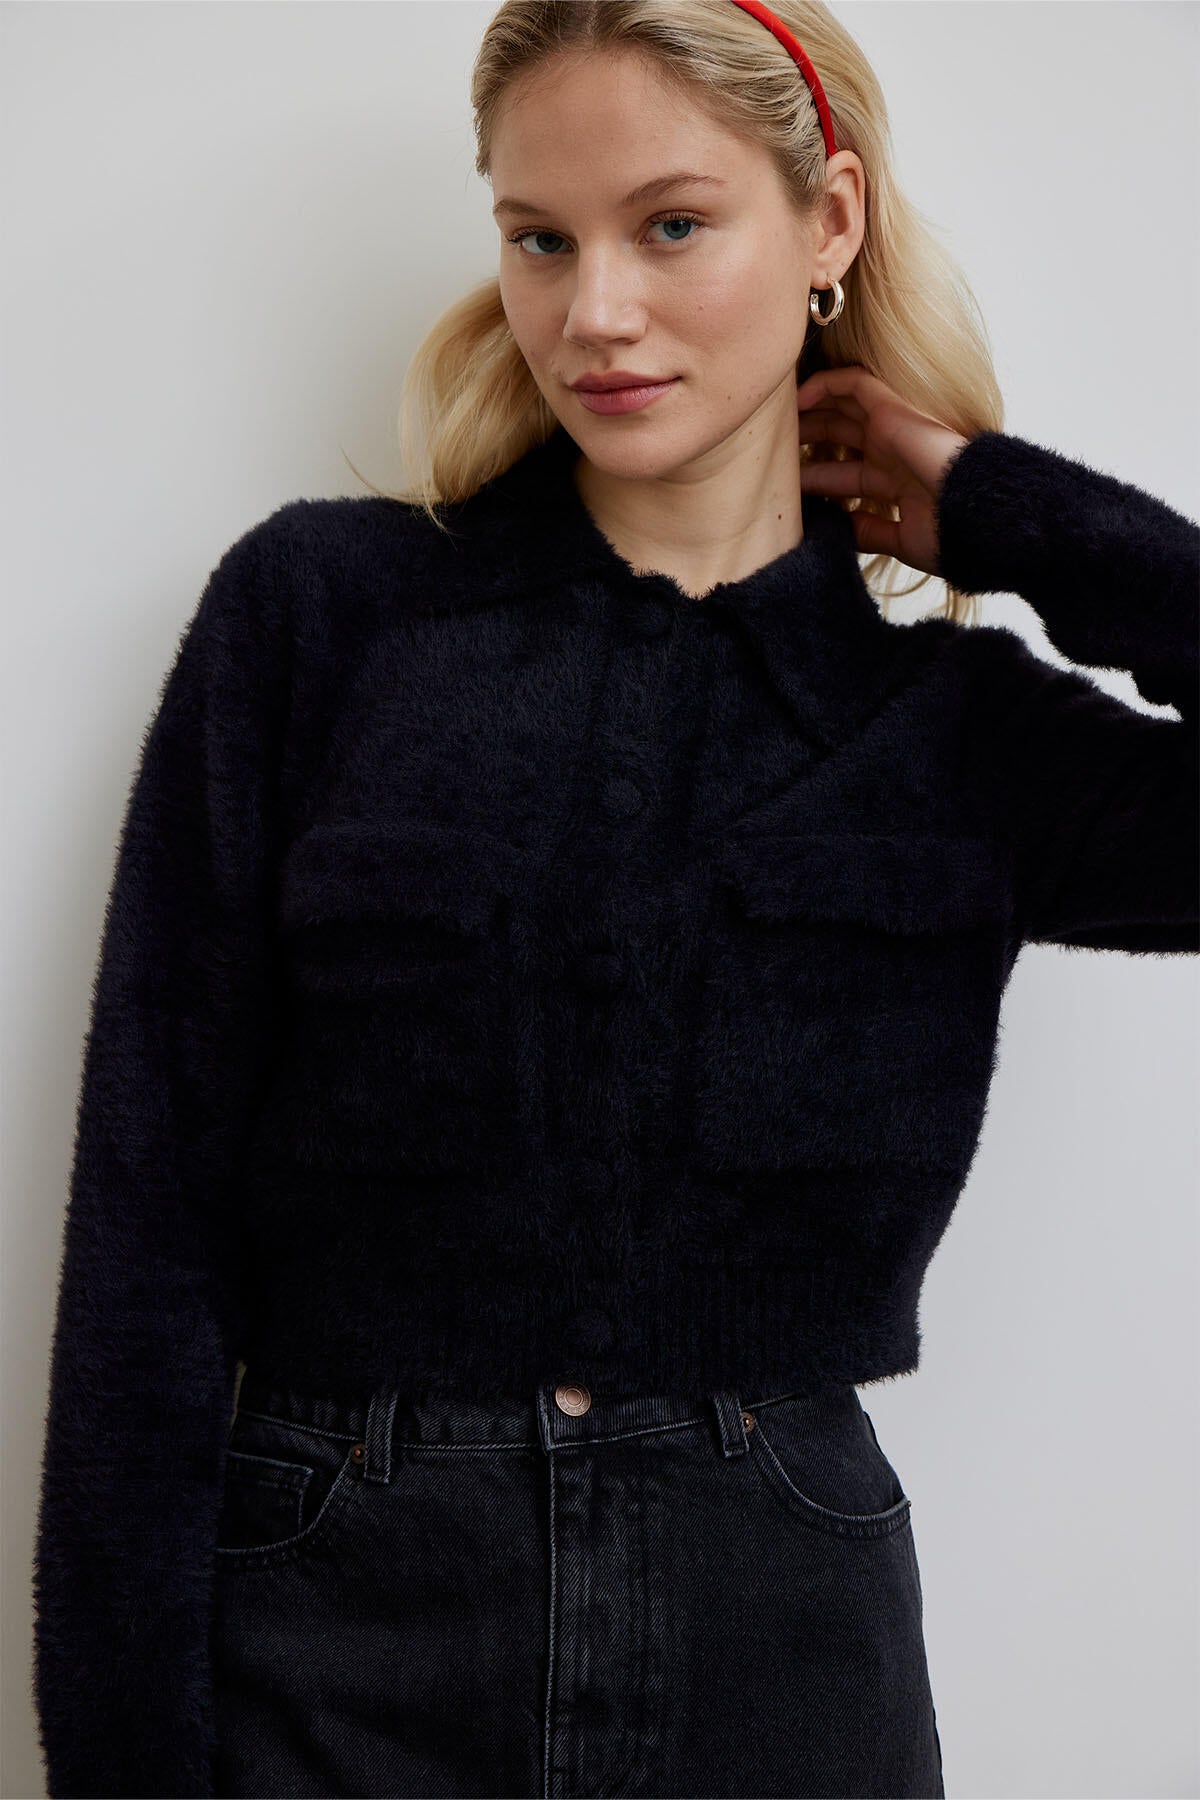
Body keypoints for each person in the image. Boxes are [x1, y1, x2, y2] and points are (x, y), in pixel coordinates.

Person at [31, 2, 1198, 1797]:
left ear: (828, 222)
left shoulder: (952, 729)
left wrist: (1010, 513)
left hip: (779, 1625)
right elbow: (149, 1219)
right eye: (538, 239)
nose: (595, 313)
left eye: (671, 224)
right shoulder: (324, 618)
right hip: (343, 1609)